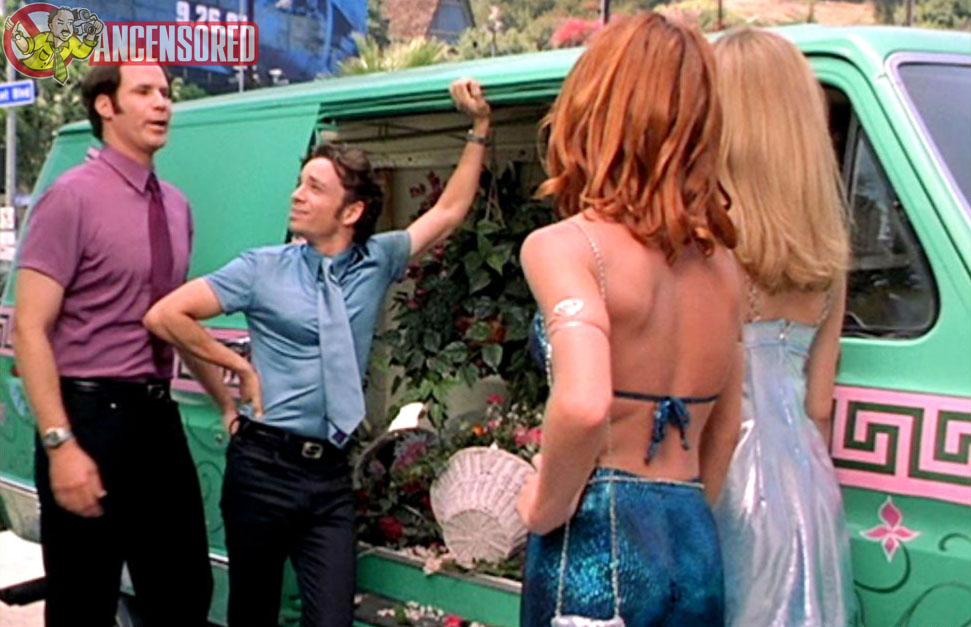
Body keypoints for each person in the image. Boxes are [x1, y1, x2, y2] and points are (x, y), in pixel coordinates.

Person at [143, 77, 492, 626]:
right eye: (299, 183)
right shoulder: (262, 268)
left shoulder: (378, 261)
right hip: (263, 467)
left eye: (314, 187)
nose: (297, 195)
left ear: (350, 212)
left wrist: (479, 128)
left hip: (329, 476)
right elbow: (165, 315)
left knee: (331, 618)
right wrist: (237, 372)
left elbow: (448, 212)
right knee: (253, 616)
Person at [515, 13, 743, 626]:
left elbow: (584, 403)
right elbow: (726, 428)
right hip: (693, 539)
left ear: (593, 110)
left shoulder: (567, 247)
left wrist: (543, 507)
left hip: (596, 533)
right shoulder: (726, 268)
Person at [12, 65, 229, 626]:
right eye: (145, 92)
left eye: (166, 93)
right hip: (87, 417)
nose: (162, 104)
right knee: (83, 601)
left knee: (184, 592)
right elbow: (29, 329)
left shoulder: (176, 206)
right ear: (105, 107)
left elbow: (173, 319)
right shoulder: (71, 198)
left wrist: (228, 400)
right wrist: (60, 444)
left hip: (156, 416)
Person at [710, 27, 855, 626]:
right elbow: (819, 407)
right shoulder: (829, 252)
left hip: (729, 481)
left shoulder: (711, 245)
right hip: (808, 484)